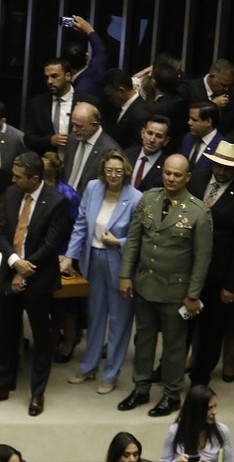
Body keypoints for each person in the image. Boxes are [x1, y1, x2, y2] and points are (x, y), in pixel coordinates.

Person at [117, 152, 214, 417]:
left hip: (176, 292)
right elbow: (134, 240)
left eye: (177, 174)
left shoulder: (198, 212)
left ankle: (171, 395)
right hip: (146, 284)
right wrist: (126, 275)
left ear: (187, 177)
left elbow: (201, 259)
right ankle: (141, 387)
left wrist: (193, 294)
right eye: (168, 173)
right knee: (144, 340)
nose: (171, 178)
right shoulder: (148, 199)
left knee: (173, 347)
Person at [0, 152, 72, 416]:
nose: (12, 180)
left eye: (18, 177)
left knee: (40, 337)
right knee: (6, 331)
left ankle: (37, 393)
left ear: (34, 179)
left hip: (39, 277)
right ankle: (0, 386)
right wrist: (14, 262)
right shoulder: (11, 194)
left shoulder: (57, 202)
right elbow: (0, 231)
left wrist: (25, 269)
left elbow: (51, 245)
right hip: (11, 269)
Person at [65, 151, 141, 393]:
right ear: (102, 170)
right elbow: (80, 223)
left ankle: (110, 374)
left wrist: (119, 241)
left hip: (120, 261)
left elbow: (140, 237)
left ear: (126, 172)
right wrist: (70, 255)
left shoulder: (136, 197)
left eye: (118, 171)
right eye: (109, 170)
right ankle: (88, 368)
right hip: (94, 258)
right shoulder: (92, 188)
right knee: (95, 315)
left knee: (119, 320)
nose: (113, 175)